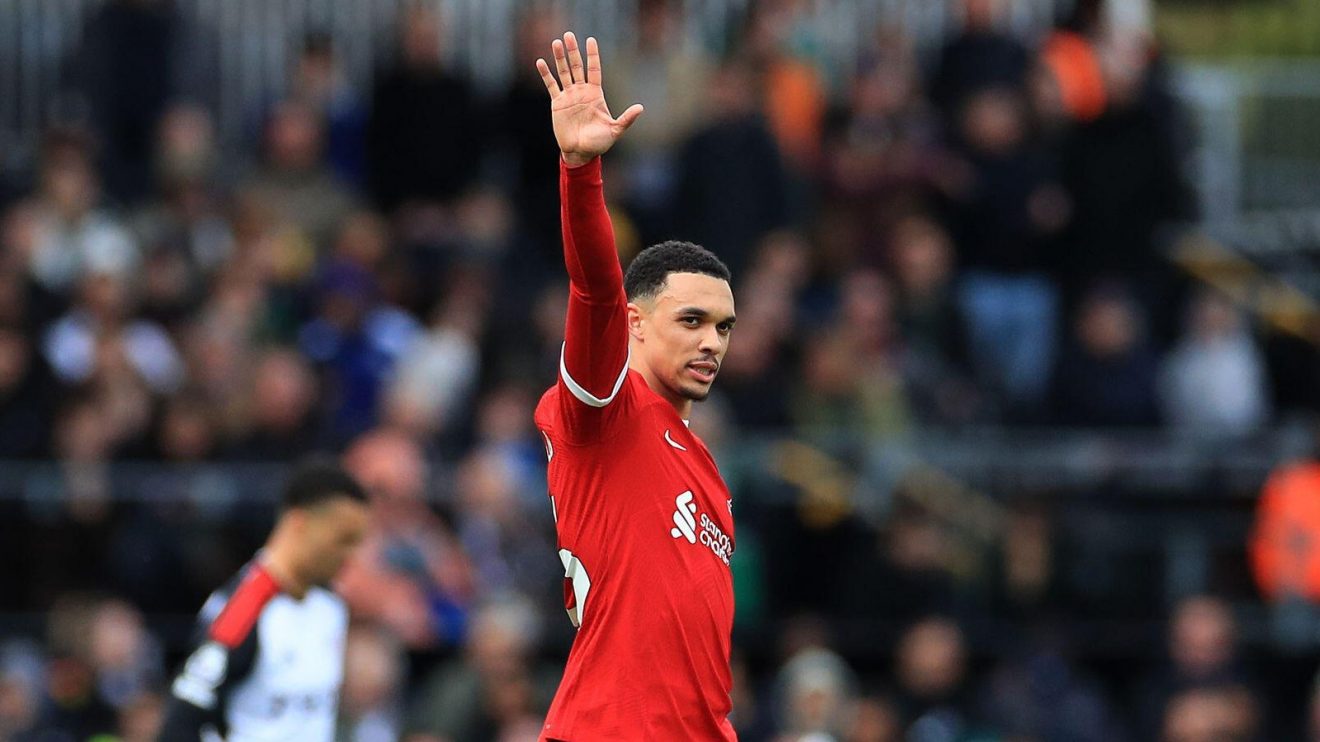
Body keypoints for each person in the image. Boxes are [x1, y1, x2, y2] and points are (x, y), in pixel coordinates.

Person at [531, 31, 738, 740]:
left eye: (724, 327)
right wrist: (580, 169)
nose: (712, 341)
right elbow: (594, 286)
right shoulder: (605, 413)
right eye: (692, 320)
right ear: (636, 324)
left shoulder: (706, 471)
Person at [156, 458, 370, 741]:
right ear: (299, 523)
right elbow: (181, 723)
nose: (353, 556)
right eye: (344, 539)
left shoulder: (331, 608)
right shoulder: (244, 609)